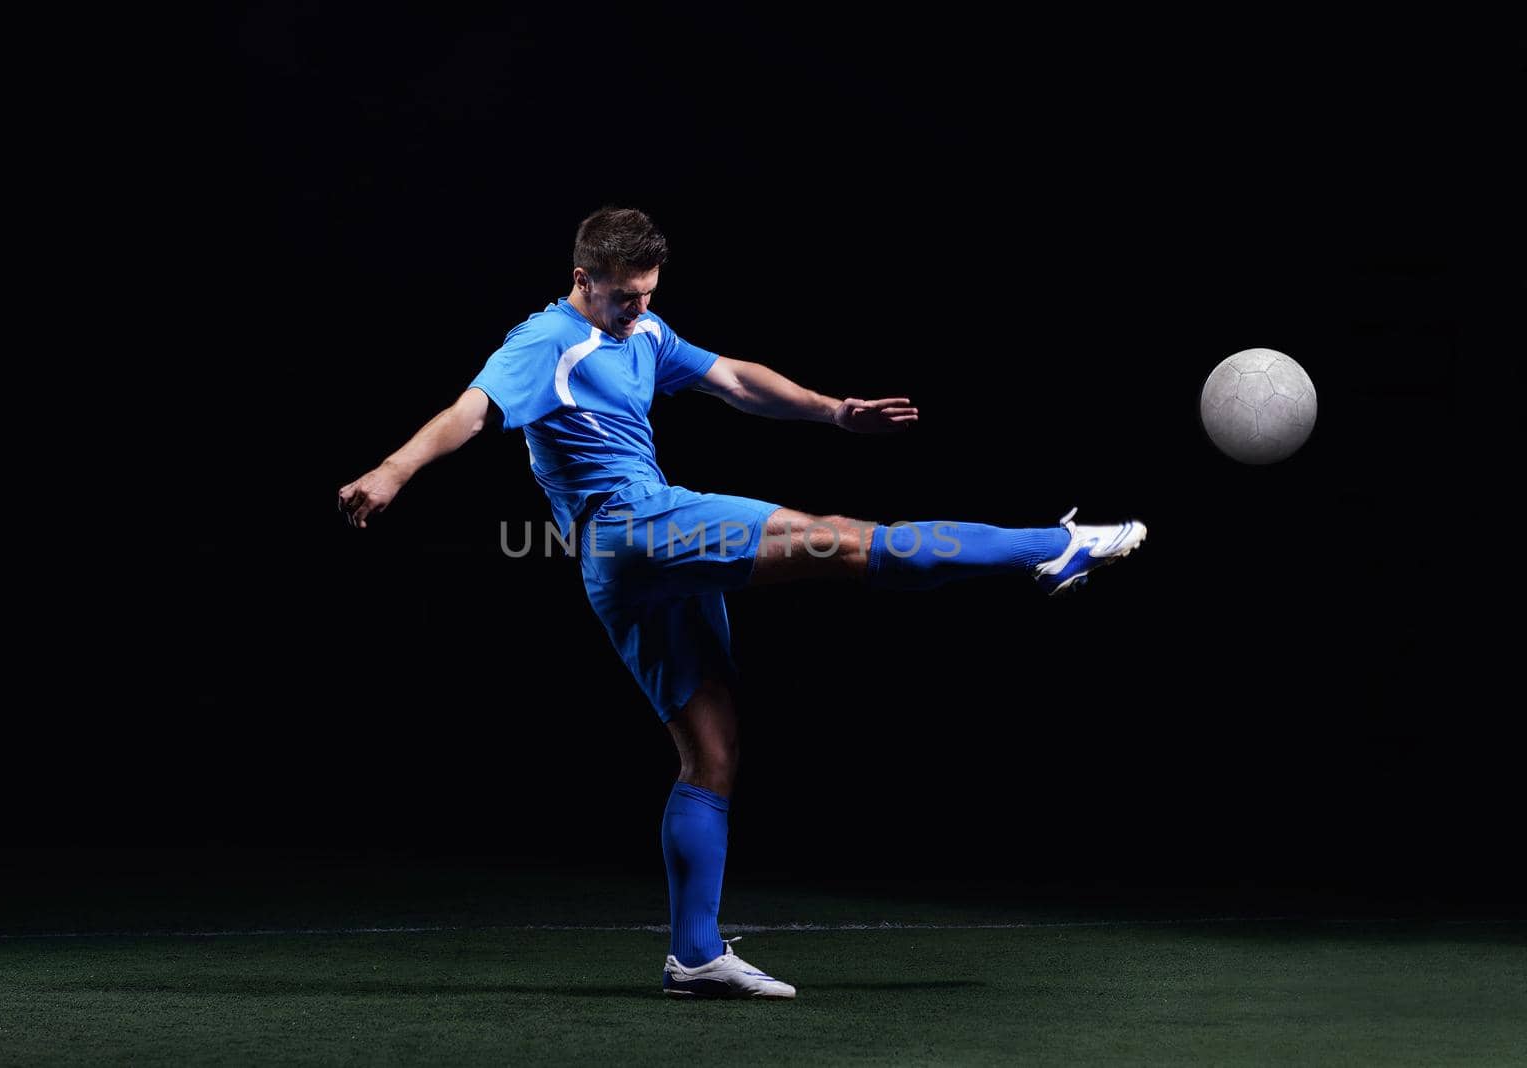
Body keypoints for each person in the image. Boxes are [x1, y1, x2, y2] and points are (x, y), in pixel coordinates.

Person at [337, 206, 1147, 999]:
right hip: (637, 527)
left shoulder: (642, 331)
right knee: (851, 541)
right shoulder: (546, 339)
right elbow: (469, 411)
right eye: (625, 294)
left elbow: (731, 379)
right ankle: (1052, 546)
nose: (641, 306)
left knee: (712, 755)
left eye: (650, 291)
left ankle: (694, 956)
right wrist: (391, 471)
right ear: (583, 279)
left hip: (619, 566)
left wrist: (833, 410)